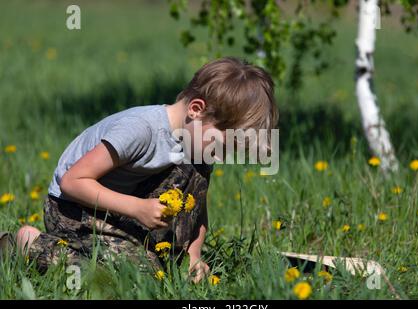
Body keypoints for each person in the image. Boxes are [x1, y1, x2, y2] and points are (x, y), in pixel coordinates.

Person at [3, 56, 278, 283]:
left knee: (166, 269)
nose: (222, 154)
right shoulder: (140, 129)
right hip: (74, 209)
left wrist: (193, 257)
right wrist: (137, 209)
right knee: (132, 277)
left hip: (124, 209)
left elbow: (197, 209)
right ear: (196, 109)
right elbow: (72, 181)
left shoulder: (197, 147)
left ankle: (143, 251)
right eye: (223, 144)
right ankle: (31, 244)